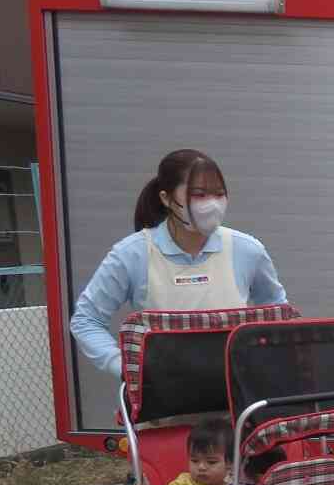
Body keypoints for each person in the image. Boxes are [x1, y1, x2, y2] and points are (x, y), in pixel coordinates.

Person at [71, 151, 287, 380]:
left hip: (234, 390)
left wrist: (261, 360)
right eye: (199, 194)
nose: (212, 204)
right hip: (162, 394)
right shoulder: (132, 254)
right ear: (166, 198)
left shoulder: (247, 250)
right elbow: (86, 320)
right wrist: (123, 367)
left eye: (219, 194)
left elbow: (278, 312)